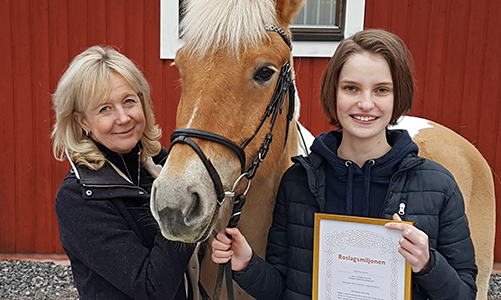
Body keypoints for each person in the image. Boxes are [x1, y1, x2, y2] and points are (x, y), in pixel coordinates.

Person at [211, 29, 477, 300]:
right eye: (351, 88)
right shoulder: (299, 182)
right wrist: (246, 264)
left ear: (398, 96)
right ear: (333, 92)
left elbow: (465, 294)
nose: (365, 103)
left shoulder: (438, 186)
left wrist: (427, 264)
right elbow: (284, 289)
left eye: (381, 90)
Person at [52, 46, 196, 300]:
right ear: (82, 121)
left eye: (129, 101)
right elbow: (151, 287)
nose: (123, 117)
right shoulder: (79, 197)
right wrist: (181, 207)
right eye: (104, 109)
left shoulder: (162, 163)